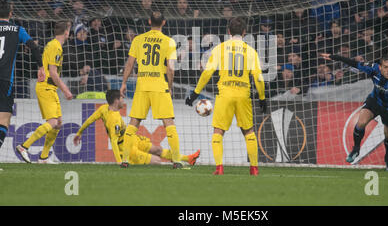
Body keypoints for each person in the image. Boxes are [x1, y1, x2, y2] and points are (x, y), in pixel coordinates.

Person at [320, 53, 388, 172]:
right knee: (361, 123)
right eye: (386, 67)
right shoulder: (373, 68)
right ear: (380, 67)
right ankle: (356, 149)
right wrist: (334, 57)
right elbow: (354, 63)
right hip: (375, 101)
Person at [185, 17, 267, 175]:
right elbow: (258, 78)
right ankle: (254, 169)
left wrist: (195, 93)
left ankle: (219, 168)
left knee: (218, 131)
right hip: (243, 94)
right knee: (249, 131)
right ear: (244, 32)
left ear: (228, 32)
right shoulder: (250, 51)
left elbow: (207, 72)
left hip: (225, 93)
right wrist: (262, 97)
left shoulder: (220, 49)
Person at [120, 11, 183, 169]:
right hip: (159, 85)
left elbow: (129, 64)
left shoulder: (138, 40)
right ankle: (176, 160)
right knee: (168, 122)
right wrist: (170, 85)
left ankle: (125, 159)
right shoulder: (169, 41)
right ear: (164, 22)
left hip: (142, 85)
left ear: (149, 22)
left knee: (134, 122)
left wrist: (124, 83)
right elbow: (170, 68)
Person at [73, 90, 200, 166]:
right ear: (116, 100)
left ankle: (188, 159)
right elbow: (113, 141)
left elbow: (89, 120)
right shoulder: (114, 120)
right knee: (156, 161)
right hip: (127, 148)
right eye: (122, 98)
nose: (124, 100)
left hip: (134, 140)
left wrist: (79, 132)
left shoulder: (103, 108)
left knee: (157, 149)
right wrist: (120, 161)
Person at [16, 21, 73, 164]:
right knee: (53, 122)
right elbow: (53, 73)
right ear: (66, 32)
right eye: (69, 30)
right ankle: (24, 146)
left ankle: (43, 157)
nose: (69, 33)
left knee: (58, 123)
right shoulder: (56, 47)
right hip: (46, 87)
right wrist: (65, 90)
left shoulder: (52, 44)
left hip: (48, 87)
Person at [0, 0, 45, 163]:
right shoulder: (18, 29)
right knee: (3, 119)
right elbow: (33, 47)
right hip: (5, 80)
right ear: (11, 14)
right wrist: (41, 67)